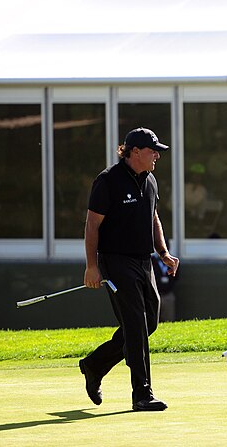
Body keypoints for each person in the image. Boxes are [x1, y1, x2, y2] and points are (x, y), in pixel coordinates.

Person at [80, 127, 179, 412]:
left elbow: (153, 218)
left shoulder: (150, 180)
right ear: (134, 152)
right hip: (115, 261)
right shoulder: (108, 181)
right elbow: (92, 225)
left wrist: (163, 253)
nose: (157, 155)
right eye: (152, 150)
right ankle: (142, 394)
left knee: (149, 322)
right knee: (135, 324)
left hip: (143, 260)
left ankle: (94, 364)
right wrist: (92, 266)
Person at [150, 250, 177, 322]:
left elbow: (176, 277)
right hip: (155, 293)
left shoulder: (172, 261)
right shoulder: (151, 261)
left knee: (168, 318)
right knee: (153, 319)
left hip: (168, 294)